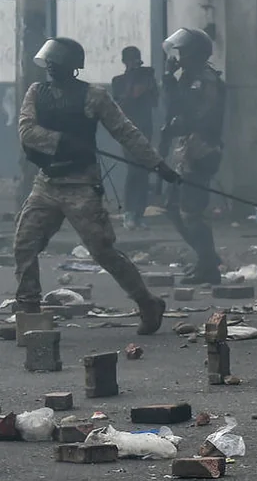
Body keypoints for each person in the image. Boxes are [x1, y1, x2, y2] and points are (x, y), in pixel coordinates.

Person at [16, 37, 180, 334]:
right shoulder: (36, 93)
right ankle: (28, 310)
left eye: (57, 63)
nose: (51, 67)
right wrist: (62, 141)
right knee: (24, 243)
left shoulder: (94, 96)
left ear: (72, 67)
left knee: (103, 250)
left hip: (81, 184)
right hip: (47, 183)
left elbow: (125, 132)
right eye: (49, 62)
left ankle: (147, 303)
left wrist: (157, 164)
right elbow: (27, 130)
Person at [161, 28, 225, 285]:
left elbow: (190, 110)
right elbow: (173, 106)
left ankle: (208, 266)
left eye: (184, 52)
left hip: (200, 150)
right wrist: (170, 78)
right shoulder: (189, 77)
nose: (180, 56)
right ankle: (206, 257)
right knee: (173, 208)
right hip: (185, 149)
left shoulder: (204, 81)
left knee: (191, 212)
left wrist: (170, 79)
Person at [112, 46, 159, 230]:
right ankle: (130, 212)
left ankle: (139, 213)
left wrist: (147, 85)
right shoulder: (118, 81)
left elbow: (155, 102)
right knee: (134, 169)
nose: (135, 62)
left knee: (144, 170)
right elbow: (121, 103)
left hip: (145, 129)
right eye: (131, 59)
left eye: (137, 59)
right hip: (127, 131)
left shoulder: (147, 79)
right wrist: (132, 84)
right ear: (125, 62)